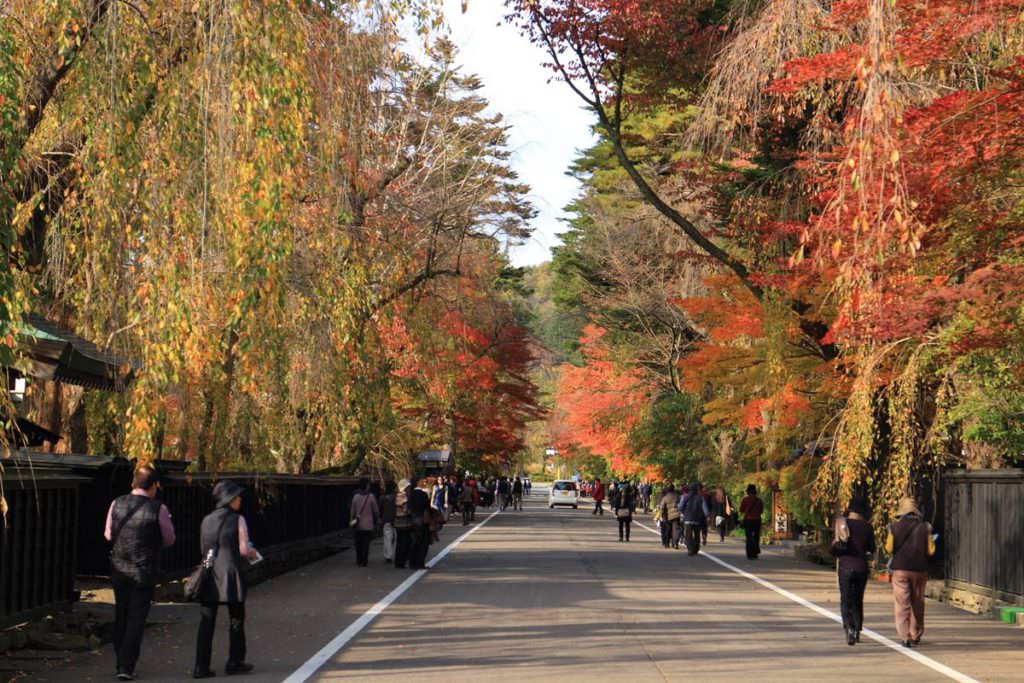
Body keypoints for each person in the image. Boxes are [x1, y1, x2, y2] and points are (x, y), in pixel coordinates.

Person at [104, 465, 176, 681]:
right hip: (144, 569)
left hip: (119, 567)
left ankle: (120, 660)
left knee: (122, 614)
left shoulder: (116, 503)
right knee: (136, 618)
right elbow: (169, 539)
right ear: (153, 486)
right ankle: (126, 665)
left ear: (134, 483)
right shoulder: (158, 509)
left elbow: (108, 534)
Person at [193, 480, 259, 679]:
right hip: (231, 573)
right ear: (229, 499)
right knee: (236, 619)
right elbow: (243, 549)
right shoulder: (237, 520)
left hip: (210, 573)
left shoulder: (206, 520)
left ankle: (201, 666)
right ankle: (235, 661)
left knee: (207, 622)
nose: (239, 499)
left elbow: (204, 549)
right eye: (237, 496)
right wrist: (253, 553)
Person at [886, 496, 936, 648]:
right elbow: (931, 550)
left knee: (902, 603)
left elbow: (889, 548)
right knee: (917, 601)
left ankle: (904, 635)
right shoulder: (925, 527)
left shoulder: (894, 527)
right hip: (920, 570)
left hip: (900, 570)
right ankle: (916, 633)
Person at [836, 496, 875, 646]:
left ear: (850, 509)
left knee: (845, 598)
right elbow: (871, 548)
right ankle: (857, 628)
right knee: (858, 598)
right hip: (861, 567)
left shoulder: (842, 524)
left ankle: (849, 628)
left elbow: (836, 545)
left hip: (845, 565)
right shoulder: (867, 527)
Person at [350, 477, 380, 567]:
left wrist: (351, 519)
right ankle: (364, 560)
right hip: (368, 523)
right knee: (366, 543)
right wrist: (377, 518)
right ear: (367, 486)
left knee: (358, 542)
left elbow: (352, 509)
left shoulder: (355, 496)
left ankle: (359, 558)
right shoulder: (371, 497)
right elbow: (375, 510)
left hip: (357, 523)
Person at [408, 477, 432, 569]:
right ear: (417, 482)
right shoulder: (423, 494)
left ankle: (412, 562)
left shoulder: (411, 494)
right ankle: (420, 562)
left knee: (414, 542)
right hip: (422, 520)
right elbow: (427, 507)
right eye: (422, 481)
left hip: (413, 520)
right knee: (423, 542)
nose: (424, 482)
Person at [680, 482, 709, 556]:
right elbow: (705, 509)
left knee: (688, 535)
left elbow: (681, 507)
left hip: (688, 519)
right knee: (697, 534)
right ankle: (696, 548)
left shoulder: (685, 497)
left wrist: (684, 513)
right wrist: (706, 515)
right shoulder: (700, 498)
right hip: (697, 518)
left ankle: (690, 548)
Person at [740, 484, 764, 560]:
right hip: (757, 520)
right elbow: (761, 511)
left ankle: (749, 553)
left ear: (748, 491)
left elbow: (741, 510)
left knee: (749, 537)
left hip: (748, 520)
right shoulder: (759, 500)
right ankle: (755, 553)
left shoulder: (745, 499)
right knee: (756, 537)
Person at [393, 479, 413, 569]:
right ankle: (401, 561)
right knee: (404, 543)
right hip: (404, 523)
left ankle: (399, 561)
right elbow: (405, 510)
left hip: (397, 523)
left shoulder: (396, 495)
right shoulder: (403, 496)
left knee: (399, 542)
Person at [380, 480, 398, 564]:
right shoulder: (396, 497)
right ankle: (394, 553)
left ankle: (388, 556)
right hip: (396, 519)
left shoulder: (382, 498)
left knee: (387, 538)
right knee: (395, 537)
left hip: (386, 519)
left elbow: (380, 509)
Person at [657, 483, 680, 548]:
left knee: (668, 529)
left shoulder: (665, 497)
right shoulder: (677, 496)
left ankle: (667, 543)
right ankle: (675, 543)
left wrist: (661, 515)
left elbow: (662, 506)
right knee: (675, 529)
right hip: (676, 514)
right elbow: (681, 504)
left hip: (667, 515)